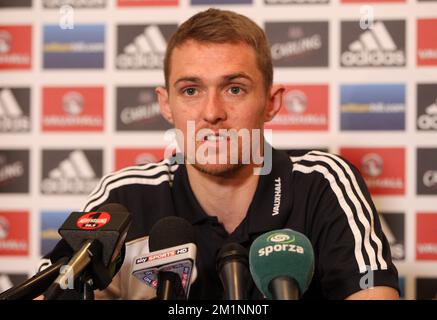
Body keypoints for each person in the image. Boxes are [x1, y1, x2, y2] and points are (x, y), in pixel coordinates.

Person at [84, 8, 399, 300]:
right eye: (191, 90)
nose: (212, 113)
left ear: (271, 103)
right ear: (167, 105)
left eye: (234, 89)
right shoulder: (124, 197)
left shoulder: (322, 183)